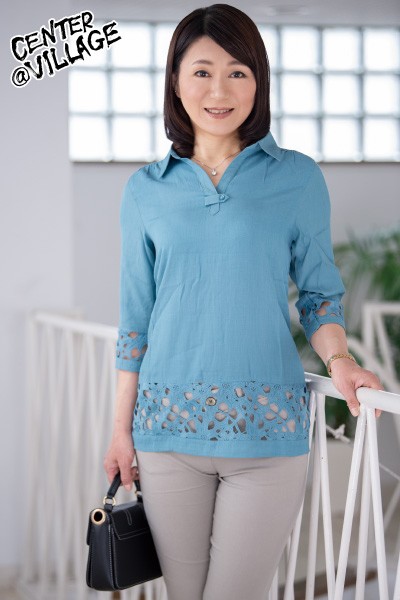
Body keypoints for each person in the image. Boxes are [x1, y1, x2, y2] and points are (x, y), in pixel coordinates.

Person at [104, 5, 384, 599]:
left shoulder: (297, 178)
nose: (220, 90)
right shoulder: (145, 189)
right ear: (176, 81)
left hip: (268, 435)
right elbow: (135, 321)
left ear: (259, 82)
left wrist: (341, 363)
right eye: (202, 72)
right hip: (166, 435)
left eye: (238, 72)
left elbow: (319, 296)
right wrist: (119, 431)